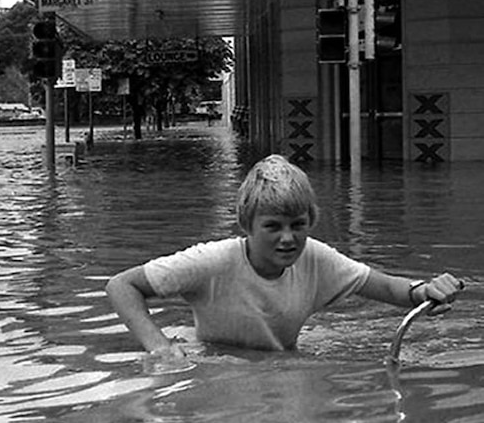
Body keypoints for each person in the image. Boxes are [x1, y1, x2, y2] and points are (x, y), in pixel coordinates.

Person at [106, 154, 465, 361]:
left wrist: (424, 292)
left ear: (311, 221)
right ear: (247, 224)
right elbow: (121, 285)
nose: (288, 238)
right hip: (216, 364)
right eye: (273, 226)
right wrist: (160, 348)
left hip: (285, 362)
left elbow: (387, 288)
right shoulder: (211, 261)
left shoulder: (316, 258)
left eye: (298, 224)